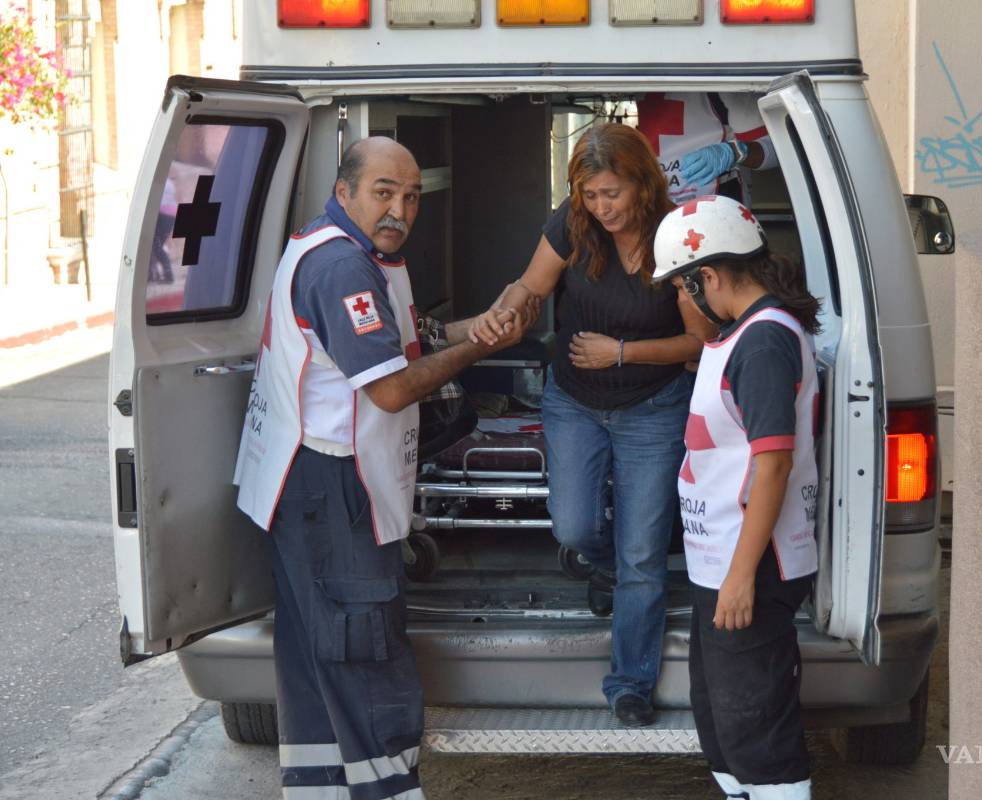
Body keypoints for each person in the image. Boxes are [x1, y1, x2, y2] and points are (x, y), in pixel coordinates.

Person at [233, 137, 527, 800]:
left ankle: (321, 789)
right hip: (332, 490)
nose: (399, 208)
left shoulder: (351, 252)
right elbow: (391, 388)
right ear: (344, 192)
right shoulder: (342, 268)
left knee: (318, 659)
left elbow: (406, 331)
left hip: (305, 485)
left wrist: (480, 326)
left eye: (412, 196)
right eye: (383, 192)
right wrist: (480, 350)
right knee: (363, 653)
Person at [470, 123, 714, 727]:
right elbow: (532, 285)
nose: (602, 207)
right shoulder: (571, 224)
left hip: (654, 406)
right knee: (574, 526)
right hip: (574, 398)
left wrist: (623, 352)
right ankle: (600, 565)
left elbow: (700, 339)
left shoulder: (674, 237)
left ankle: (630, 681)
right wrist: (509, 310)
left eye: (613, 194)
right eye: (590, 194)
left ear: (641, 184)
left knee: (642, 552)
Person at [651, 194, 821, 800]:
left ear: (710, 277)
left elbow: (771, 466)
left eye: (679, 288)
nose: (678, 302)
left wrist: (742, 577)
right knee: (724, 722)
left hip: (753, 564)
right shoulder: (740, 336)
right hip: (721, 561)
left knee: (758, 730)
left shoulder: (764, 344)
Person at [636, 92, 777, 205]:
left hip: (718, 204)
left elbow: (774, 149)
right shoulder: (634, 74)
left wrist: (734, 152)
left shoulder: (718, 71)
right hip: (657, 205)